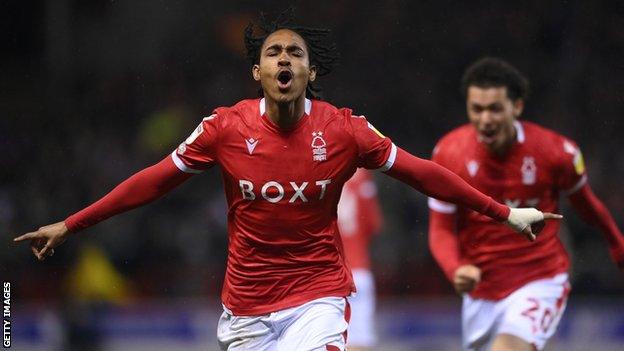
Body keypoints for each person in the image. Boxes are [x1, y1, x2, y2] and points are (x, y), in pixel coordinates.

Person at [15, 14, 556, 350]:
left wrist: (504, 212)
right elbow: (153, 182)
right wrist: (71, 223)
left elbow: (423, 173)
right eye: (273, 52)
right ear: (257, 72)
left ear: (309, 72)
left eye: (295, 53)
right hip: (246, 309)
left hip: (317, 298)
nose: (284, 60)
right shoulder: (223, 128)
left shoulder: (346, 130)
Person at [427, 57, 624, 351]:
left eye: (495, 109)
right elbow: (440, 229)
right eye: (476, 109)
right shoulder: (448, 153)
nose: (485, 119)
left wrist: (617, 244)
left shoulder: (555, 152)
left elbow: (588, 207)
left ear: (516, 107)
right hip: (482, 292)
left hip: (539, 279)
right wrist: (455, 269)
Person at [337, 168, 382, 351]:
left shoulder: (312, 171)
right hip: (357, 269)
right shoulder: (361, 175)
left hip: (325, 273)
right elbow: (373, 224)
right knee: (359, 341)